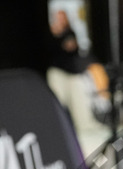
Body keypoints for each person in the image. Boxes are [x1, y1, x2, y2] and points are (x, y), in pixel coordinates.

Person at [46, 9, 98, 142]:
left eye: (62, 17)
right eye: (57, 17)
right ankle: (58, 129)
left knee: (78, 102)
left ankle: (82, 127)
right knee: (58, 103)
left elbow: (71, 47)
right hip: (57, 73)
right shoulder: (51, 33)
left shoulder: (70, 32)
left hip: (71, 72)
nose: (60, 20)